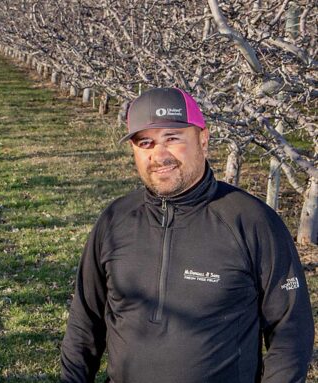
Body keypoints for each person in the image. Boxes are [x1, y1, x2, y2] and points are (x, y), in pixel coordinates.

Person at [60, 87, 314, 382]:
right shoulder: (115, 220)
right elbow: (85, 322)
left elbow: (290, 331)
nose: (159, 155)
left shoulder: (251, 221)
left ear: (203, 141)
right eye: (146, 143)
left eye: (172, 138)